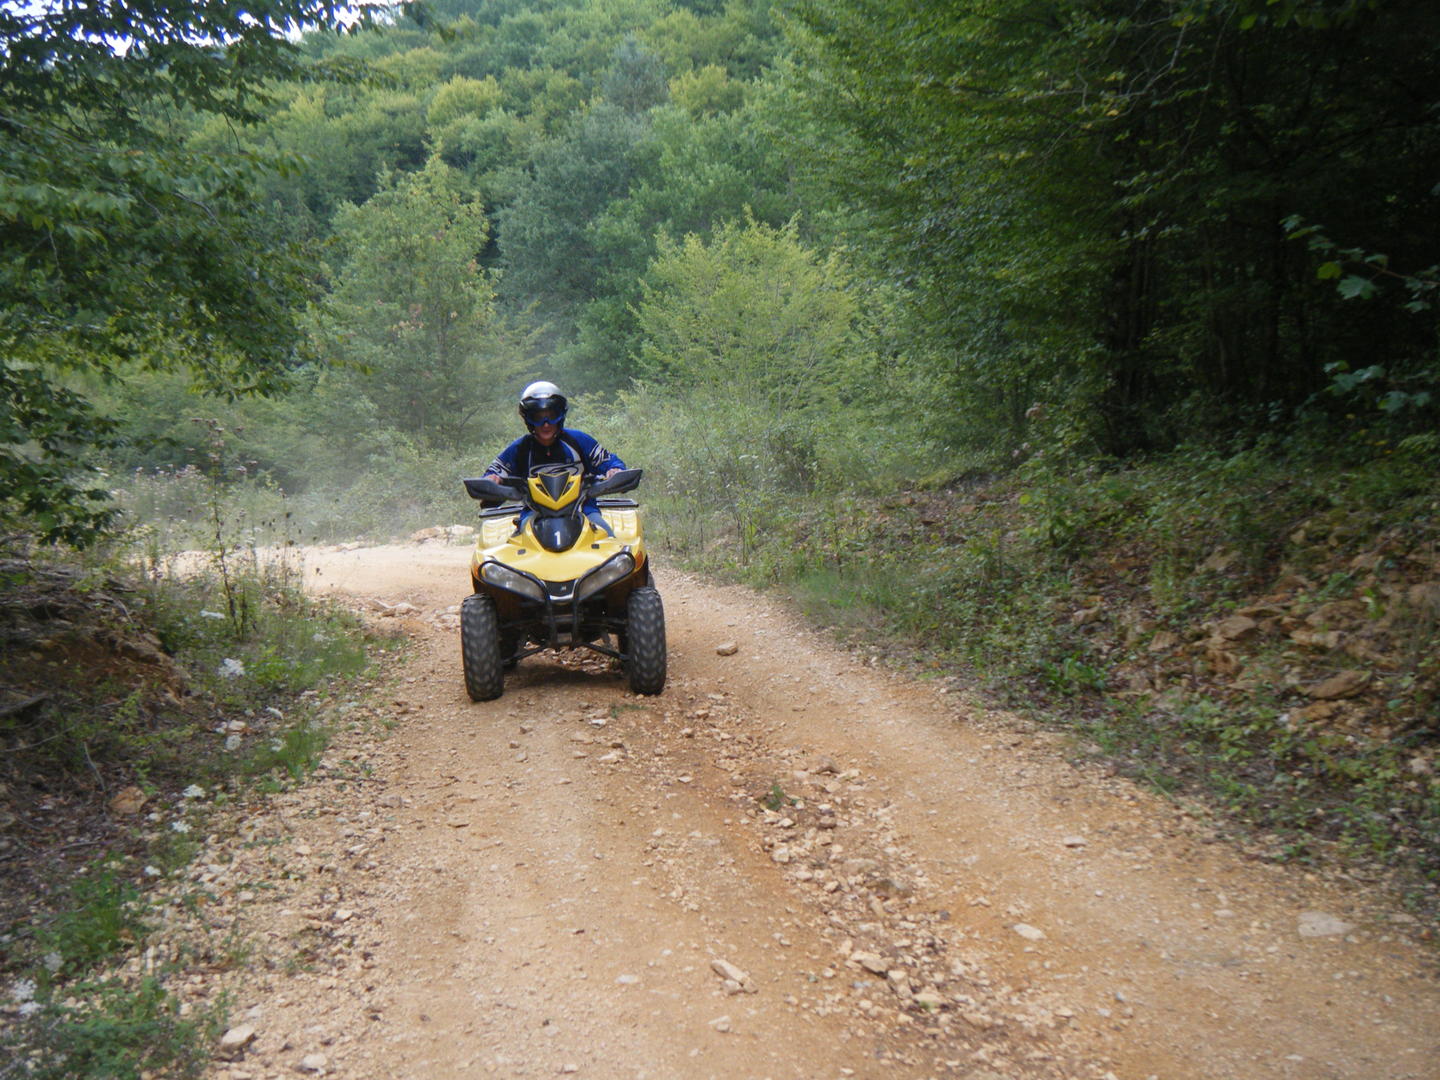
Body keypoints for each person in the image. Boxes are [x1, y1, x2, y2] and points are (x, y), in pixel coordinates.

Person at [482, 381, 625, 529]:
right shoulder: (520, 449)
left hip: (584, 512)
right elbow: (493, 474)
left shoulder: (580, 441)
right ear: (528, 419)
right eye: (538, 417)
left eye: (552, 416)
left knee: (607, 536)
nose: (546, 424)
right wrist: (492, 480)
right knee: (517, 541)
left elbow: (609, 461)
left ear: (561, 416)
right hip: (534, 515)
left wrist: (615, 470)